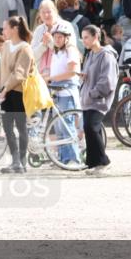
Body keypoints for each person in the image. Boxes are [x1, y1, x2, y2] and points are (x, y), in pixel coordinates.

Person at [0, 16, 34, 174]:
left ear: (15, 29)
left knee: (21, 127)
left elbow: (19, 73)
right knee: (7, 128)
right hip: (5, 91)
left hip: (18, 93)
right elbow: (1, 69)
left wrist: (4, 90)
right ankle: (15, 161)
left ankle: (22, 162)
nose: (3, 31)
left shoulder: (25, 48)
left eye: (5, 28)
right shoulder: (6, 46)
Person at [80, 25, 119, 174]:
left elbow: (108, 80)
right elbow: (89, 73)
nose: (84, 41)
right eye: (82, 38)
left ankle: (103, 161)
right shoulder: (90, 54)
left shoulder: (106, 55)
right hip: (88, 99)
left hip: (99, 100)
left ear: (96, 37)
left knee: (92, 127)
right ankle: (95, 164)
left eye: (86, 37)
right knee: (89, 129)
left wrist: (93, 93)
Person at [43, 22, 82, 165]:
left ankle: (73, 159)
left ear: (67, 38)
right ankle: (62, 158)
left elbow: (72, 72)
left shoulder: (71, 50)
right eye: (56, 36)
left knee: (67, 126)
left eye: (60, 37)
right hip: (56, 91)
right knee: (58, 127)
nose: (57, 39)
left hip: (66, 92)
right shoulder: (56, 51)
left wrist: (51, 78)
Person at [32, 0, 83, 74]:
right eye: (43, 12)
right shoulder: (38, 30)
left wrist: (51, 42)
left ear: (55, 12)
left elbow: (69, 52)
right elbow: (32, 56)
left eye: (49, 12)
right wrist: (42, 45)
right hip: (41, 75)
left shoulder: (66, 26)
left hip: (61, 74)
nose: (46, 15)